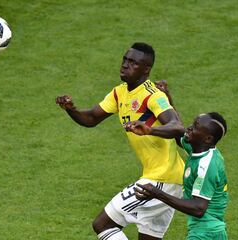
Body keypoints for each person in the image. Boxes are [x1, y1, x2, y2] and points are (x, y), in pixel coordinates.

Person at [56, 42, 185, 240]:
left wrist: (149, 129)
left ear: (146, 69)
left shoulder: (152, 96)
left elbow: (177, 126)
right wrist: (71, 109)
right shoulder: (119, 93)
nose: (125, 65)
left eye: (133, 62)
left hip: (161, 179)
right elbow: (91, 118)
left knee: (103, 225)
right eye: (125, 59)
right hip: (167, 180)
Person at [125, 111, 229, 240]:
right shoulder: (201, 148)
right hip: (210, 231)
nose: (190, 127)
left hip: (205, 233)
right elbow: (179, 132)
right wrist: (150, 130)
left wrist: (157, 193)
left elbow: (198, 208)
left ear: (207, 139)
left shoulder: (206, 165)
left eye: (196, 127)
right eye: (193, 123)